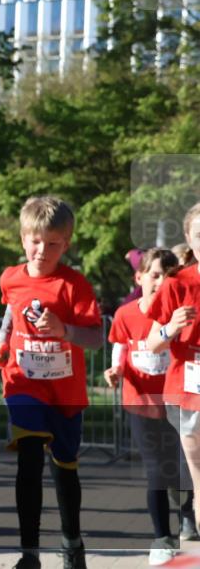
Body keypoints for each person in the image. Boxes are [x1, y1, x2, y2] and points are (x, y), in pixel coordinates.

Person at [0, 196, 103, 569]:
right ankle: (29, 553)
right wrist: (3, 341)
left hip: (64, 392)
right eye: (36, 241)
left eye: (53, 243)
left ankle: (72, 540)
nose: (42, 250)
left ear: (66, 244)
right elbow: (10, 309)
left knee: (64, 467)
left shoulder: (74, 285)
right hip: (23, 383)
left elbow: (95, 337)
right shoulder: (10, 277)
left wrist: (64, 330)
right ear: (23, 238)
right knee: (29, 458)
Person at [104, 248, 187, 565]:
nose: (161, 281)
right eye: (154, 275)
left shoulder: (180, 314)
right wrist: (115, 371)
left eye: (168, 276)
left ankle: (188, 514)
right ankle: (162, 537)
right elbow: (120, 345)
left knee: (181, 469)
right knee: (156, 471)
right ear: (139, 278)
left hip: (177, 402)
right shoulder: (126, 313)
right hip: (139, 403)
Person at [146, 202, 200, 544]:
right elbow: (152, 342)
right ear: (188, 238)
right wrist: (169, 328)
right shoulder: (177, 283)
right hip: (190, 391)